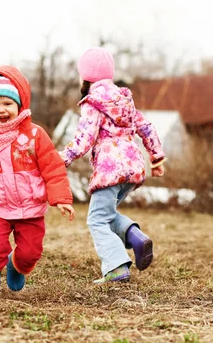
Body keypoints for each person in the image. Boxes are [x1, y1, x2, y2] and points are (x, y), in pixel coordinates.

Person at [0, 65, 75, 299]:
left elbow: (52, 167)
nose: (1, 110)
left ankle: (17, 265)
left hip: (30, 207)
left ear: (20, 105)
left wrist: (60, 198)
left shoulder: (34, 135)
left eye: (7, 104)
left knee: (31, 252)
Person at [59, 47, 166, 284]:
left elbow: (84, 139)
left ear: (85, 77)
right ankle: (134, 237)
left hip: (110, 170)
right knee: (105, 214)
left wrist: (62, 159)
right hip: (133, 168)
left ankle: (116, 267)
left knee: (96, 220)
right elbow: (146, 126)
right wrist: (156, 158)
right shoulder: (124, 99)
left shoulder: (93, 103)